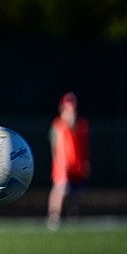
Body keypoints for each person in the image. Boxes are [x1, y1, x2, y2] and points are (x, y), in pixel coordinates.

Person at [47, 92, 90, 230]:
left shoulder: (82, 125)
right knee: (60, 190)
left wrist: (85, 162)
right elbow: (55, 147)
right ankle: (54, 216)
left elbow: (84, 145)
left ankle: (73, 217)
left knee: (76, 192)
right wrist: (60, 164)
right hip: (62, 165)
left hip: (77, 164)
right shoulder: (58, 125)